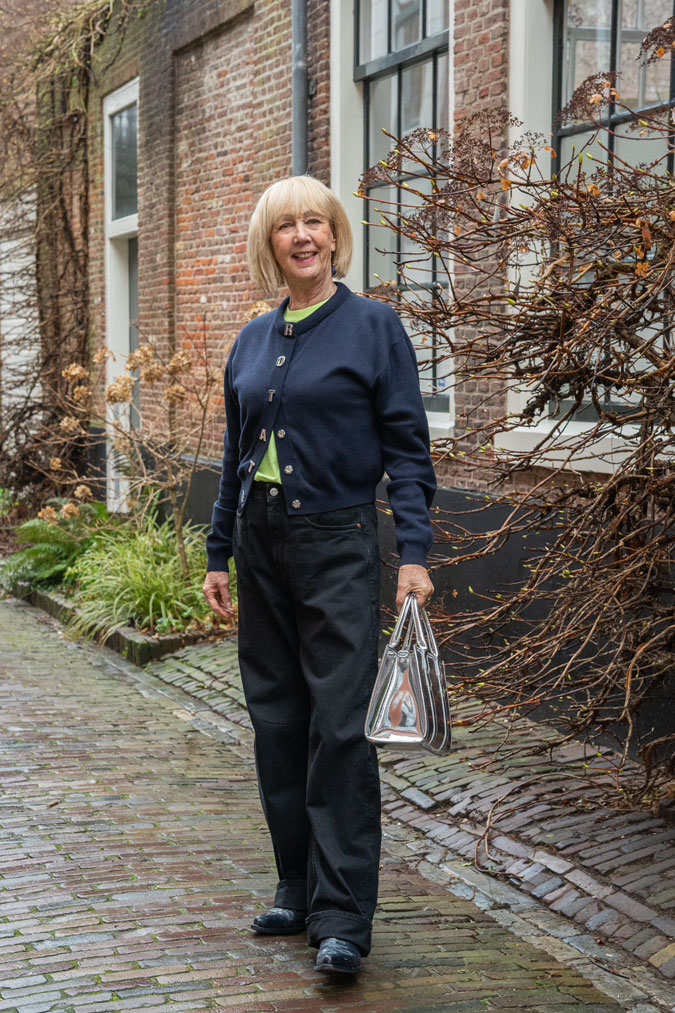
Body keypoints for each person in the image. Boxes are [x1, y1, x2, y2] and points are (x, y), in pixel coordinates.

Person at [203, 175, 436, 975]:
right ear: (269, 245)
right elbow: (235, 459)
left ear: (335, 236)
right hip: (259, 543)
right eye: (284, 227)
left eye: (314, 222)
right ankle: (296, 886)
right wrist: (216, 551)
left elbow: (408, 450)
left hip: (337, 541)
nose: (301, 236)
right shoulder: (251, 339)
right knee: (276, 721)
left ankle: (342, 917)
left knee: (338, 727)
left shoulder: (373, 328)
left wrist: (412, 553)